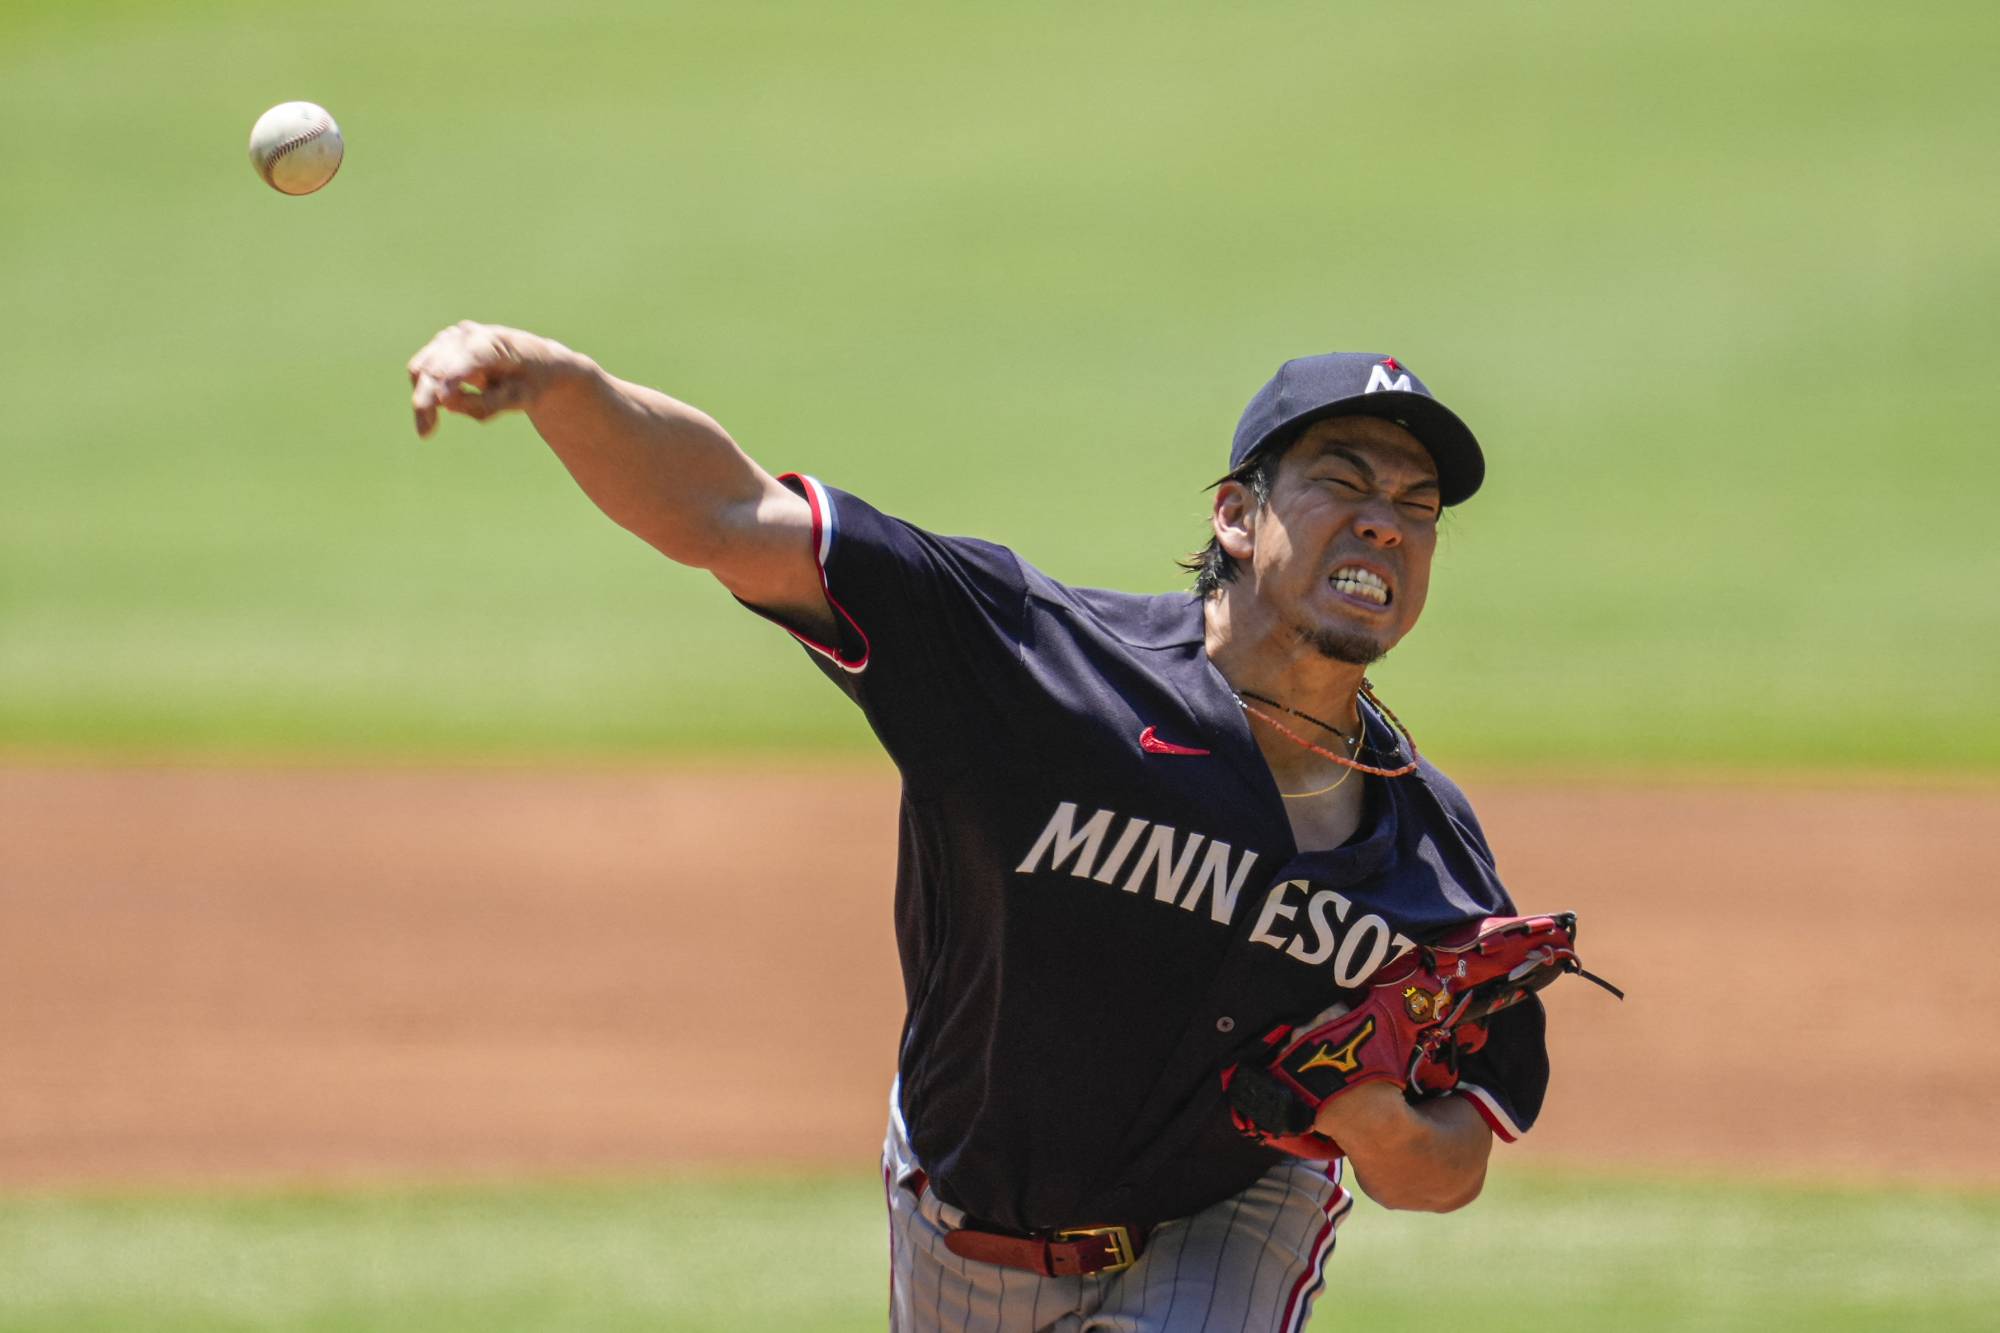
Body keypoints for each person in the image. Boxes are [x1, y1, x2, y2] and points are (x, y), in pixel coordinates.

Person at [406, 325, 1548, 1331]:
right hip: (964, 1215)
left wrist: (1383, 1130)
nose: (1383, 525)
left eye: (1414, 506)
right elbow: (731, 513)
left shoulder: (1433, 862)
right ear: (1236, 516)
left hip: (1231, 1209)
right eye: (1341, 482)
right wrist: (562, 386)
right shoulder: (1036, 668)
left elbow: (1451, 1164)